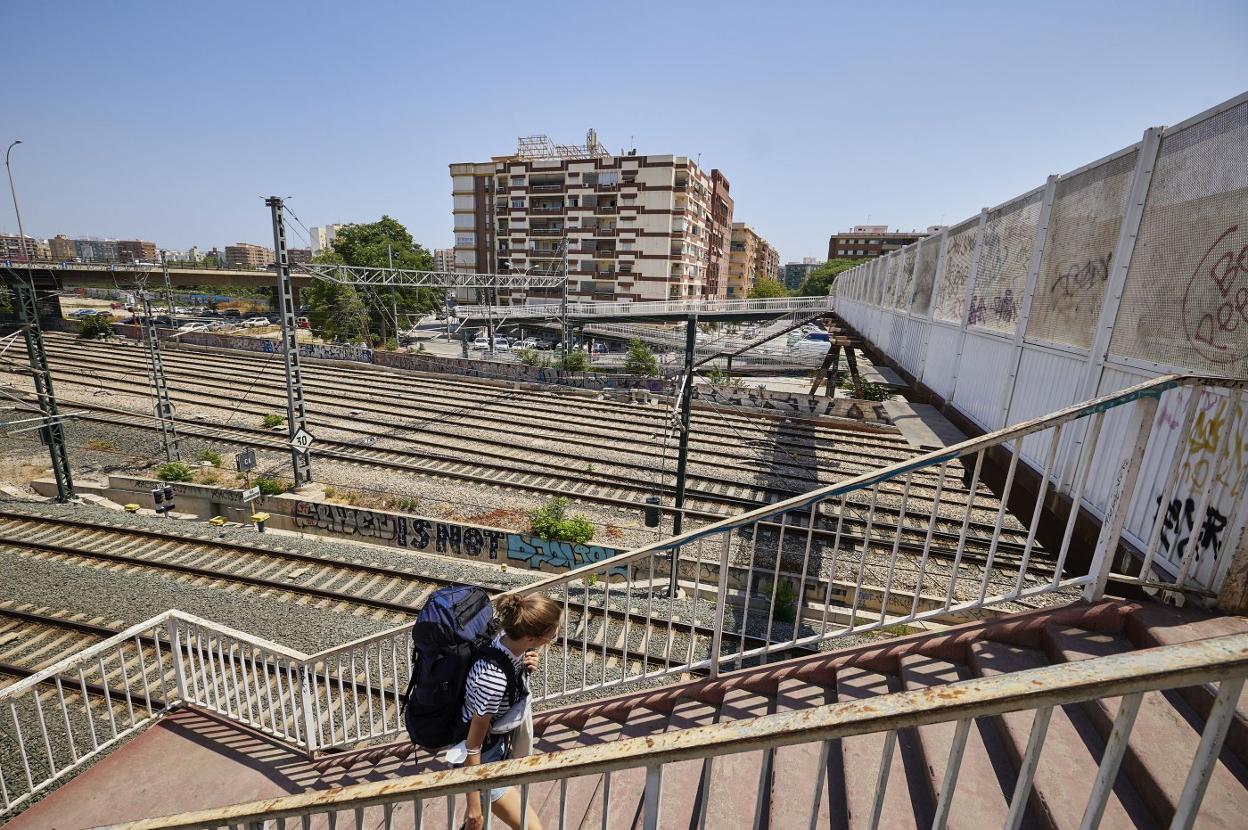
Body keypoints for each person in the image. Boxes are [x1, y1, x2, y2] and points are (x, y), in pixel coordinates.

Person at [461, 593, 561, 830]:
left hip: (498, 746)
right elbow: (472, 746)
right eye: (552, 635)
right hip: (484, 757)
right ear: (530, 638)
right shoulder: (492, 680)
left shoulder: (505, 638)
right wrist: (473, 807)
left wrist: (526, 666)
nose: (554, 638)